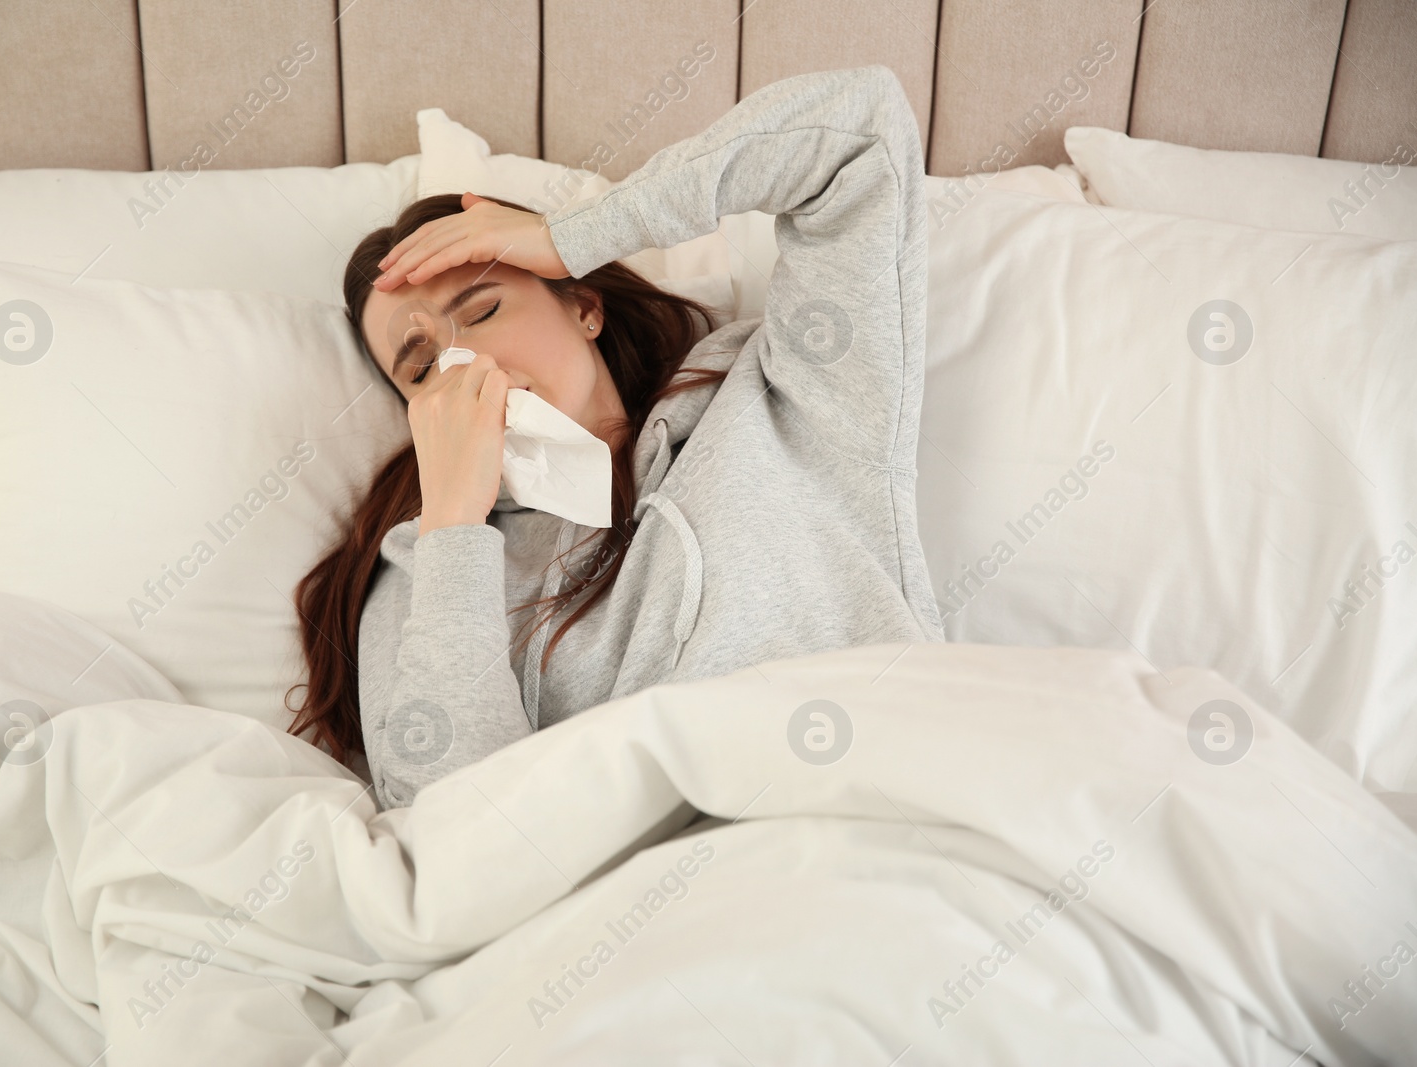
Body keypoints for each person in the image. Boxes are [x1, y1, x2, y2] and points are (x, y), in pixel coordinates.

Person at [289, 65, 945, 810]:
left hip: (886, 825)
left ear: (583, 308)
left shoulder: (791, 393)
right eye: (421, 364)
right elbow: (455, 830)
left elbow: (860, 134)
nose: (465, 363)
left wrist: (570, 234)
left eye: (480, 309)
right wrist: (453, 529)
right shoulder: (425, 571)